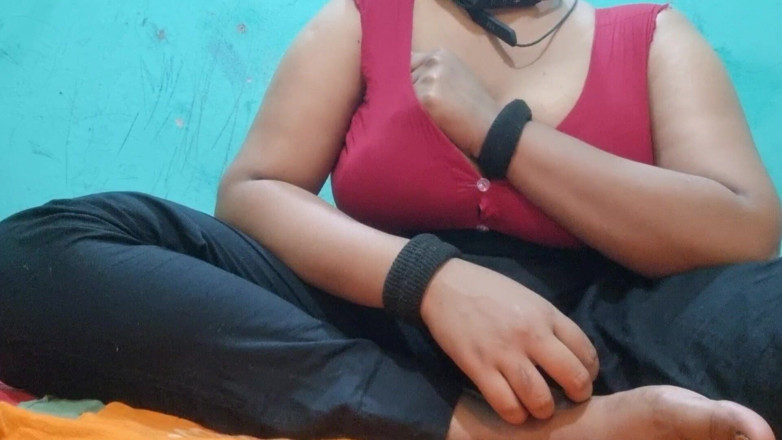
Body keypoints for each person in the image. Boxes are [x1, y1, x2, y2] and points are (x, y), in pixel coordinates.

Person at [0, 0, 780, 439]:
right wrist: (430, 279)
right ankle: (470, 430)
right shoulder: (361, 19)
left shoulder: (651, 36)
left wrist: (500, 134)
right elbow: (253, 192)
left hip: (593, 340)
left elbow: (745, 232)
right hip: (370, 318)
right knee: (38, 254)